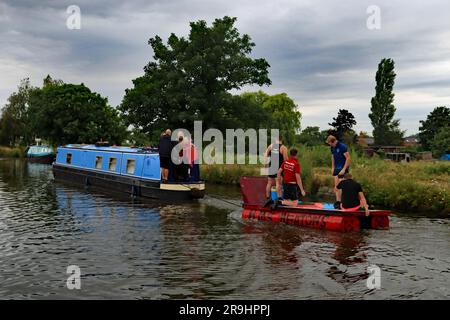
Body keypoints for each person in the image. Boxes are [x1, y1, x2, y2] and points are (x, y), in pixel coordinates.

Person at [326, 135, 351, 208]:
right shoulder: (332, 147)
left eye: (330, 143)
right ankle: (338, 202)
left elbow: (348, 158)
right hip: (336, 168)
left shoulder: (342, 146)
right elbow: (333, 157)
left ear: (333, 141)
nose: (330, 145)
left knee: (342, 186)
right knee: (336, 187)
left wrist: (344, 169)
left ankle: (345, 203)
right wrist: (332, 167)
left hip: (343, 168)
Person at [263, 136, 288, 206]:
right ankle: (279, 199)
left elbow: (265, 156)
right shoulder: (283, 148)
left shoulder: (270, 146)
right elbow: (286, 160)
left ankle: (268, 198)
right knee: (278, 183)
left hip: (271, 167)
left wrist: (265, 166)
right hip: (279, 168)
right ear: (281, 139)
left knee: (269, 183)